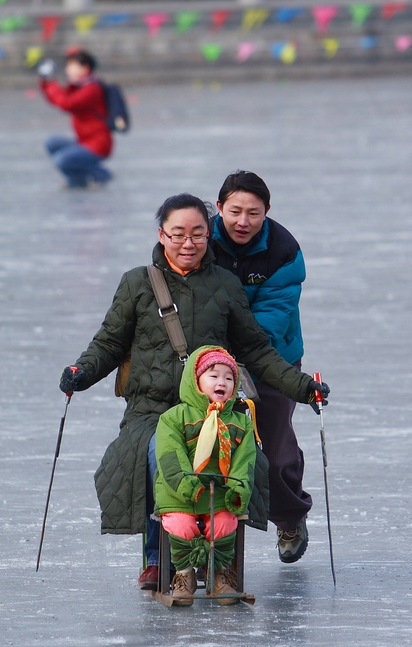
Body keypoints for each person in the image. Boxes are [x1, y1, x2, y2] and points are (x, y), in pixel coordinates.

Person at [58, 193, 329, 591]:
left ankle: (216, 558)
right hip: (151, 408)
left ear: (208, 235)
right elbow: (110, 343)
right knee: (158, 456)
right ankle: (156, 557)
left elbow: (255, 349)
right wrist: (81, 372)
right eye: (178, 234)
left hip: (212, 407)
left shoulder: (225, 284)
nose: (188, 243)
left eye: (198, 234)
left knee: (234, 458)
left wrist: (304, 388)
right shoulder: (137, 283)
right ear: (161, 234)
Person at [209, 170, 313, 564]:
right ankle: (201, 541)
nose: (243, 221)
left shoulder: (282, 250)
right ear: (219, 208)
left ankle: (289, 517)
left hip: (272, 357)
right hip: (208, 360)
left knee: (273, 444)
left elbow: (273, 313)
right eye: (234, 211)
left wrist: (235, 356)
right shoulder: (202, 240)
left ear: (267, 212)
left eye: (254, 212)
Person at [154, 346, 260, 606]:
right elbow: (170, 457)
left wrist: (238, 490)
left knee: (224, 524)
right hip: (181, 493)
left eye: (228, 377)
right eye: (213, 376)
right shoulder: (174, 418)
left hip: (221, 494)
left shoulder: (241, 422)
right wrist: (188, 486)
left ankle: (220, 573)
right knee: (182, 526)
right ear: (196, 381)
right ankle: (184, 574)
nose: (221, 382)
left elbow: (244, 461)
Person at [38, 48, 112, 188]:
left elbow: (67, 103)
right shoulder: (79, 86)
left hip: (98, 145)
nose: (67, 70)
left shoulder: (92, 88)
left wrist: (52, 83)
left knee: (61, 160)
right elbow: (57, 99)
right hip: (84, 142)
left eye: (71, 66)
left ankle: (99, 174)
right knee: (52, 142)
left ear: (85, 68)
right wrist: (46, 82)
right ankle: (79, 180)